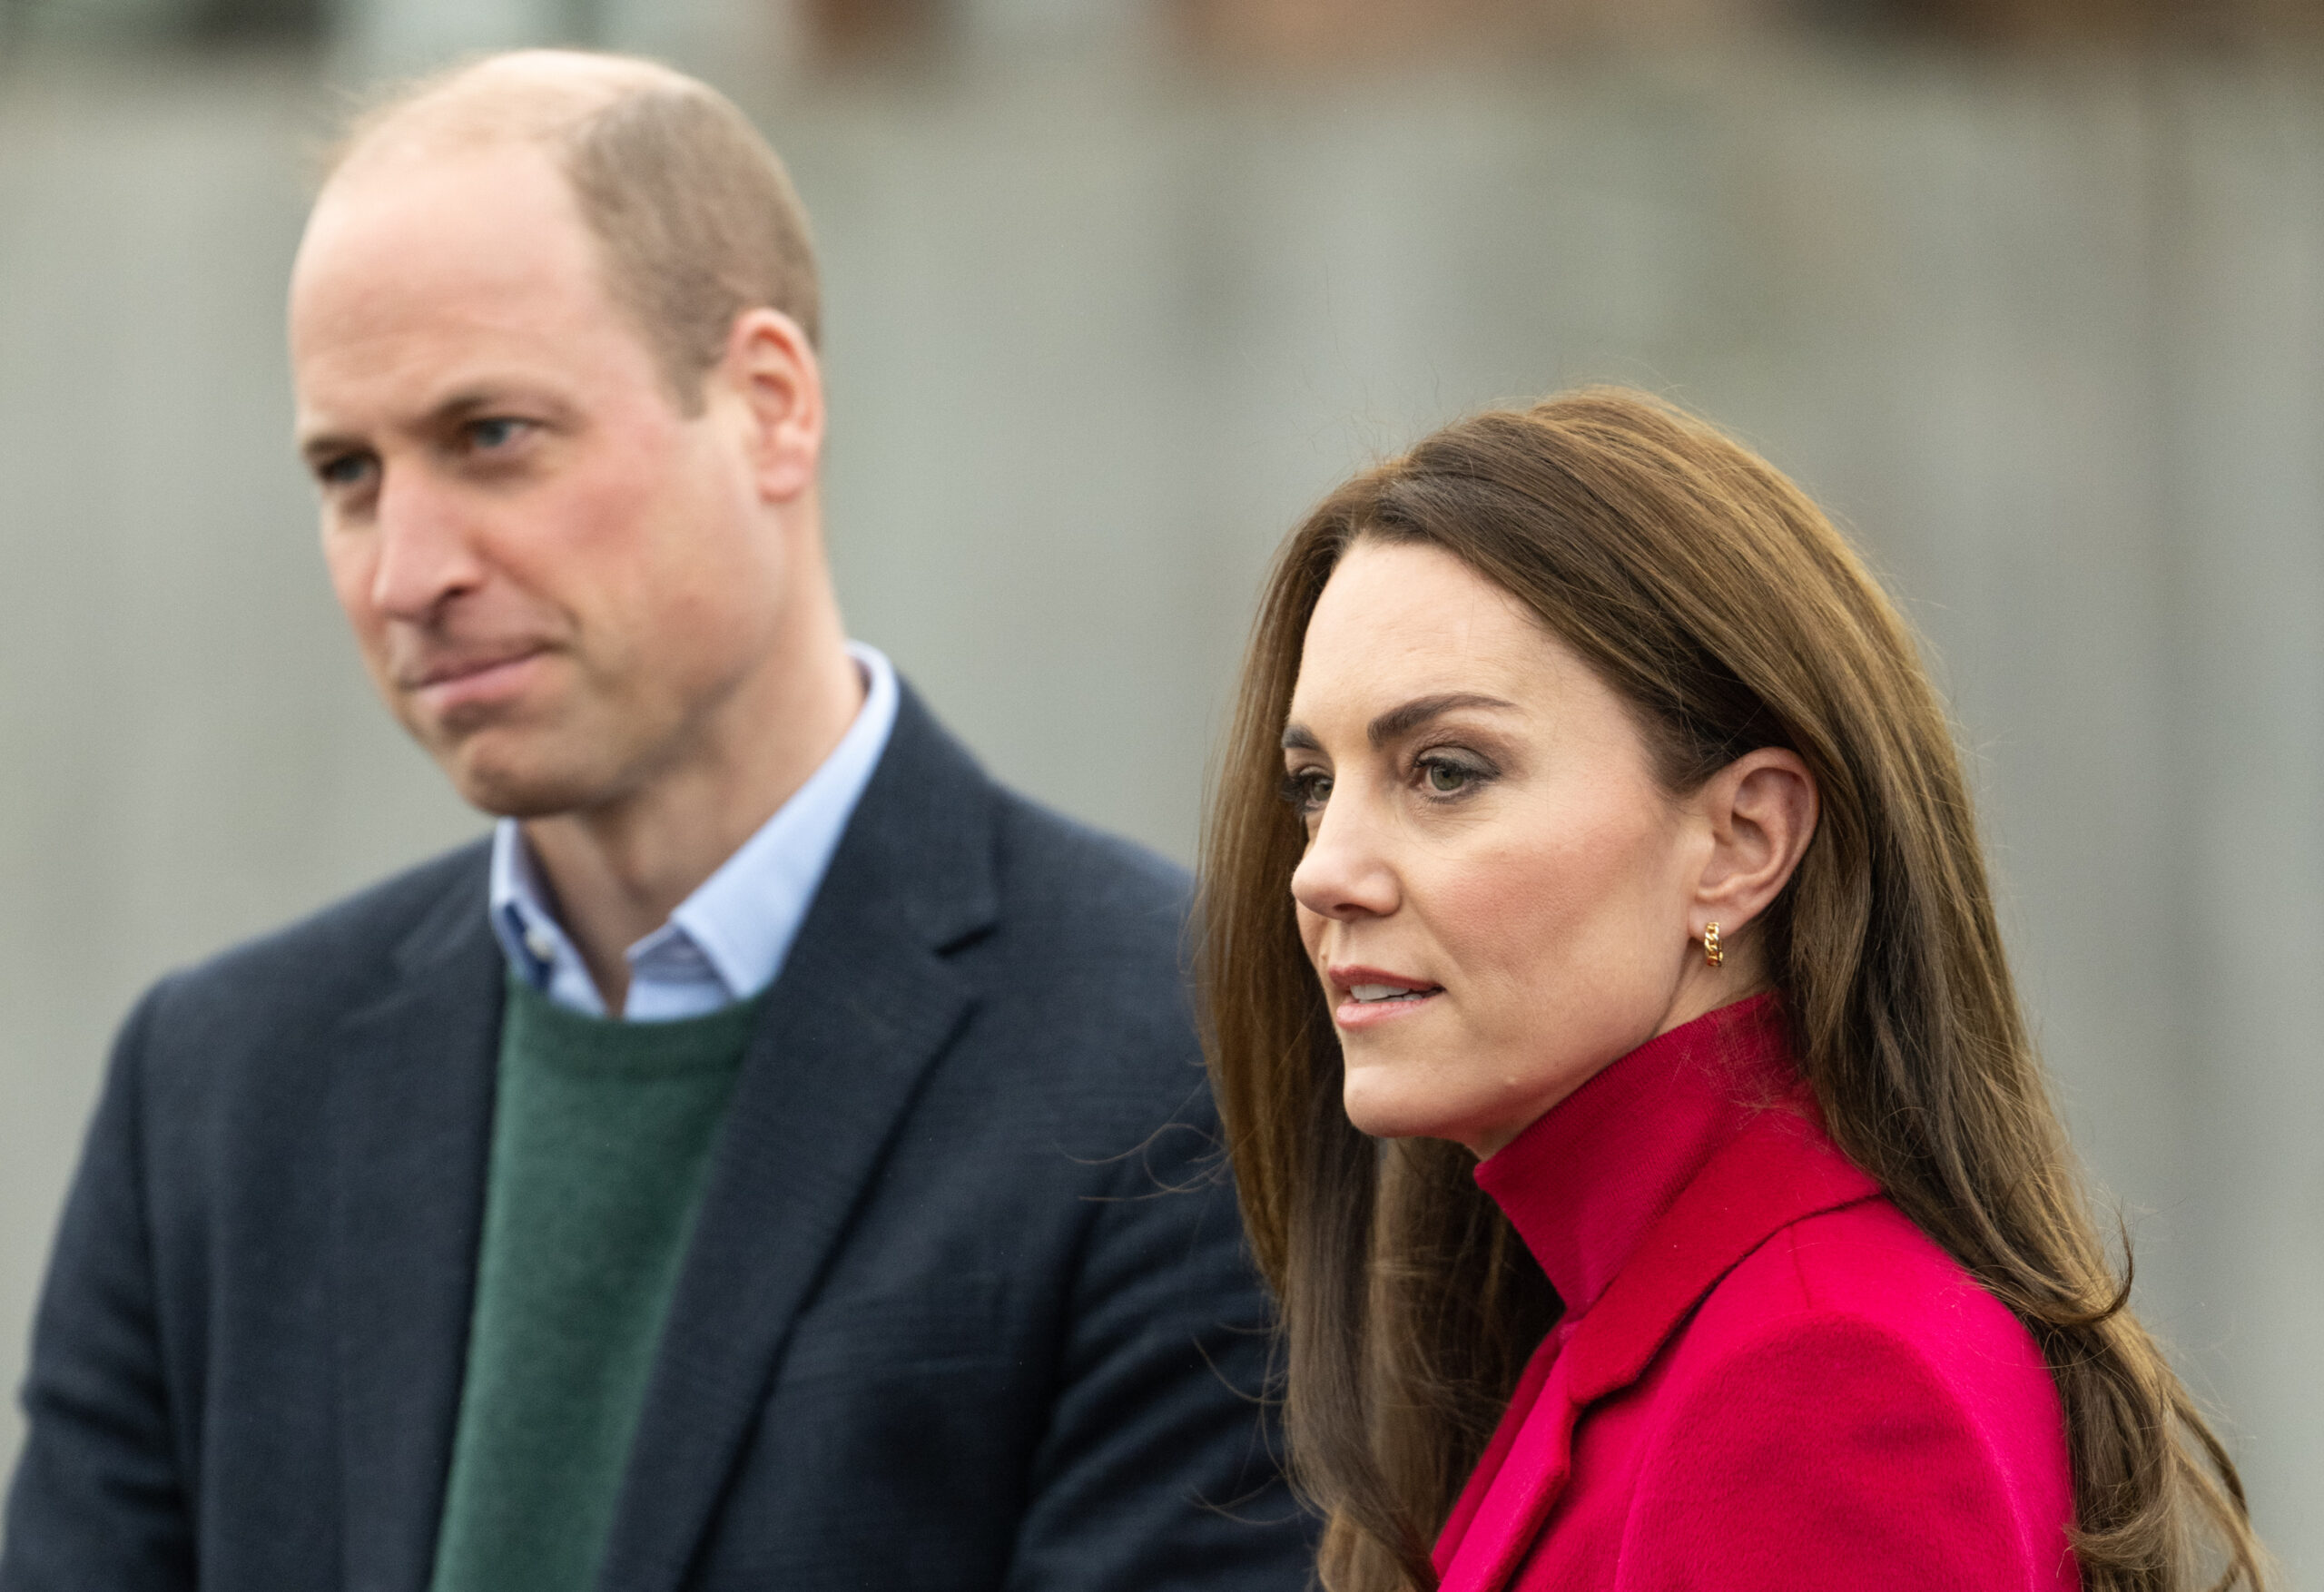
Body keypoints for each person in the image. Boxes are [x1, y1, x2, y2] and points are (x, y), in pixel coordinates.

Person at [2, 50, 1309, 1592]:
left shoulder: (1179, 1050)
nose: (407, 567)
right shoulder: (215, 1087)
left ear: (768, 406)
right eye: (349, 473)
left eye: (492, 435)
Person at [1198, 388, 2268, 1591]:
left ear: (1743, 840)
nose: (1324, 869)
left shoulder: (1817, 1377)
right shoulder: (1647, 1322)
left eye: (1444, 771)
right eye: (1311, 785)